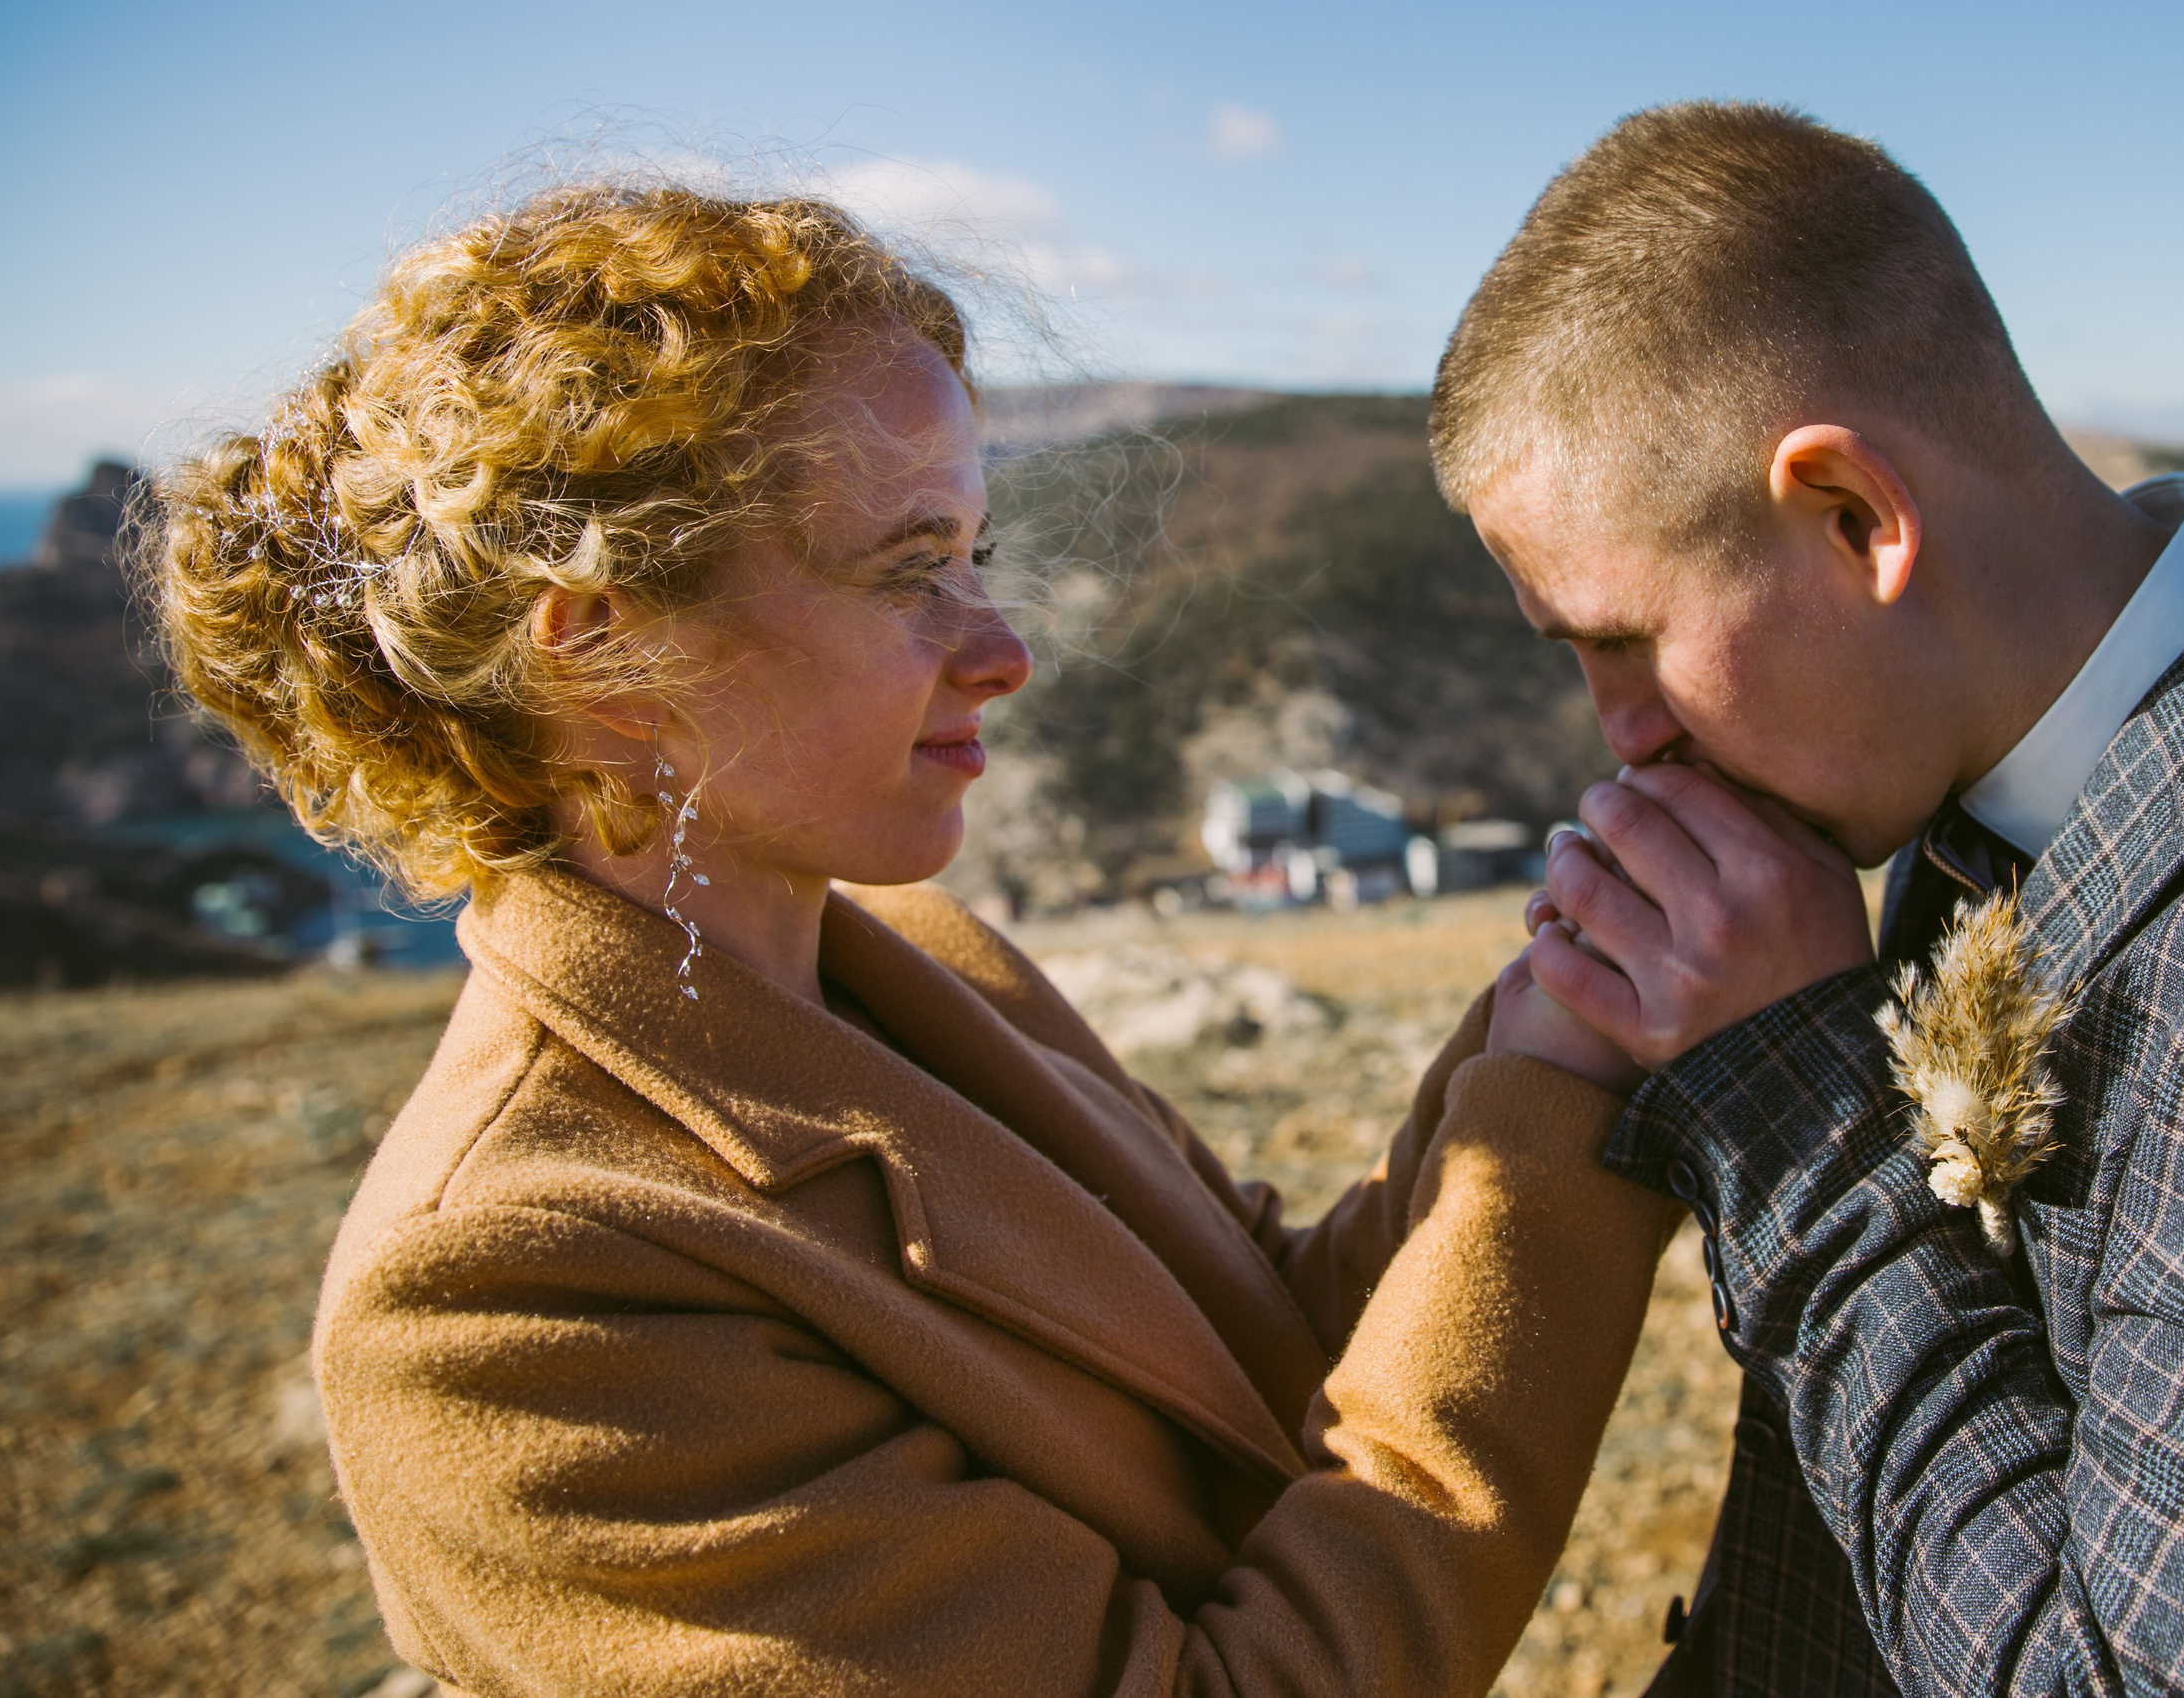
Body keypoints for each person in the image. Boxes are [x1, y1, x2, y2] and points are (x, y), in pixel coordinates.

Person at [148, 183, 1678, 1696]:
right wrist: (1571, 1103)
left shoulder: (933, 961)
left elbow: (1270, 1345)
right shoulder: (505, 1294)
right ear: (606, 651)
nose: (1003, 652)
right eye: (906, 571)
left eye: (977, 560)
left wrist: (1572, 997)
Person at [1431, 102, 2184, 1696]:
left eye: (1623, 640)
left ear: (1858, 517)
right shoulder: (1972, 757)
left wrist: (1793, 1099)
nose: (1624, 735)